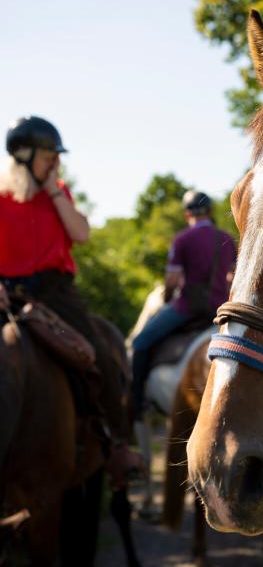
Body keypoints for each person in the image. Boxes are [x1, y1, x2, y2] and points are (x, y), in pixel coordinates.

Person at [0, 115, 142, 556]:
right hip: (6, 292)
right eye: (49, 156)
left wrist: (54, 193)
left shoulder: (57, 193)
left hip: (57, 295)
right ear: (25, 157)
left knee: (98, 349)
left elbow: (80, 233)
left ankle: (117, 446)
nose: (55, 163)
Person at [130, 189, 236, 423]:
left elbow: (172, 279)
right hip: (218, 310)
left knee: (140, 343)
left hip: (187, 308)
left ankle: (136, 404)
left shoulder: (183, 239)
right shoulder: (226, 239)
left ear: (187, 214)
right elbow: (232, 277)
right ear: (209, 211)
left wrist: (168, 297)